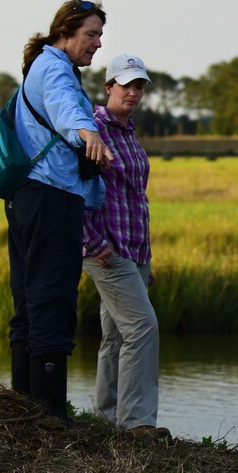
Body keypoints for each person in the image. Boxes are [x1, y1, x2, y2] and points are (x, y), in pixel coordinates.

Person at [7, 0, 113, 424]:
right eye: (90, 34)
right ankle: (51, 414)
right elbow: (66, 109)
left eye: (100, 35)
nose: (97, 43)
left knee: (30, 297)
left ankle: (22, 406)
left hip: (28, 196)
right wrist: (89, 131)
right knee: (52, 298)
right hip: (51, 196)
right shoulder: (54, 69)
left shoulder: (46, 66)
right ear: (64, 33)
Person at [82, 54, 167, 437]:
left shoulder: (129, 132)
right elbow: (77, 186)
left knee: (116, 335)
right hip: (106, 250)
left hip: (134, 251)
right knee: (143, 328)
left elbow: (136, 198)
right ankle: (136, 423)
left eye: (139, 86)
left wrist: (145, 259)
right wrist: (92, 241)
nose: (133, 92)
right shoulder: (92, 129)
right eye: (126, 85)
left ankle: (107, 420)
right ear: (108, 87)